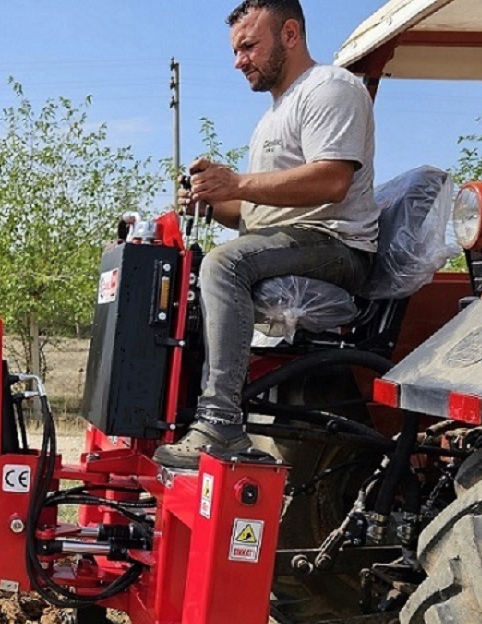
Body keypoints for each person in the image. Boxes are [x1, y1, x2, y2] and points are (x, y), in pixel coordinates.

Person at [153, 0, 378, 468]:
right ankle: (176, 413)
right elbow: (252, 214)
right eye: (236, 51)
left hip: (337, 247)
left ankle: (219, 424)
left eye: (249, 47)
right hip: (292, 244)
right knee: (186, 276)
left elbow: (332, 180)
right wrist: (212, 201)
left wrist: (235, 182)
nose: (239, 61)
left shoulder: (330, 89)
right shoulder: (274, 115)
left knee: (224, 263)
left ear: (290, 34)